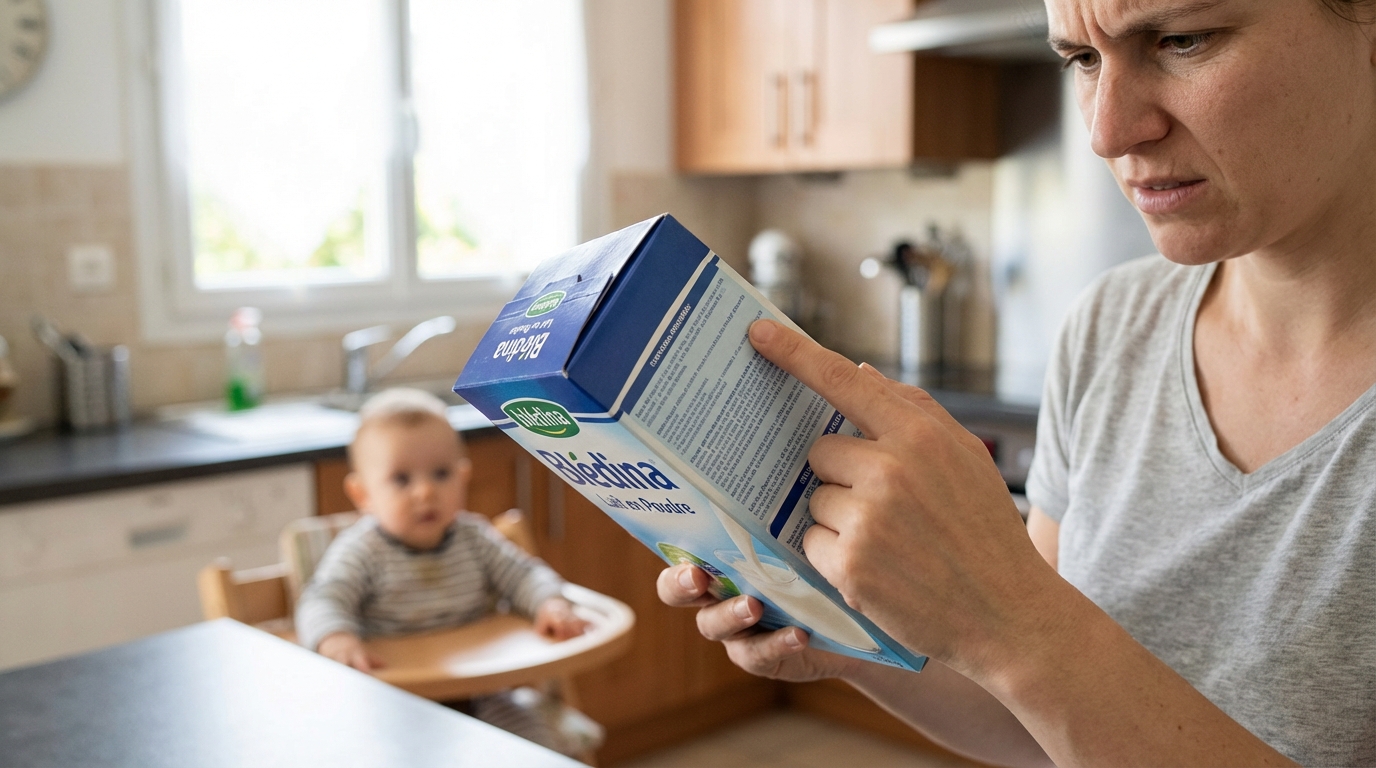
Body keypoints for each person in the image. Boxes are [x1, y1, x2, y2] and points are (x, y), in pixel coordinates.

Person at [657, 0, 1376, 763]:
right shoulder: (1111, 326)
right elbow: (1043, 721)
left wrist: (1015, 618)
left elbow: (1036, 652)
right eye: (1082, 60)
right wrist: (851, 631)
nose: (1107, 131)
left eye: (1181, 40)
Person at [295, 388, 594, 756]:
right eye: (401, 479)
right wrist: (336, 637)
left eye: (441, 473)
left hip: (484, 692)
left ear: (463, 475)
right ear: (362, 494)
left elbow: (523, 575)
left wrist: (550, 603)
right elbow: (324, 597)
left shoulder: (473, 538)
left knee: (533, 748)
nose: (425, 492)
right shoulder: (362, 551)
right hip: (398, 701)